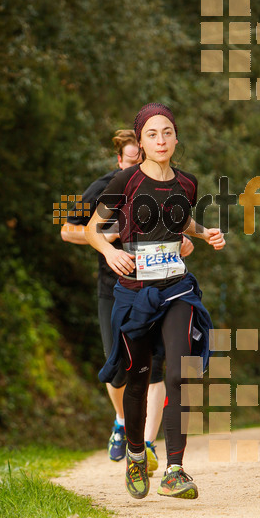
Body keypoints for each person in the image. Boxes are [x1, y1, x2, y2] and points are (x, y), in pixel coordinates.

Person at [85, 103, 225, 500]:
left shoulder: (188, 183)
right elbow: (95, 229)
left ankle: (175, 470)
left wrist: (204, 233)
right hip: (134, 293)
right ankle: (134, 455)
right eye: (152, 134)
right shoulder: (125, 182)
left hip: (177, 288)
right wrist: (110, 253)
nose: (160, 140)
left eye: (167, 132)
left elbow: (180, 221)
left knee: (180, 373)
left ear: (176, 138)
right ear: (141, 141)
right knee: (138, 374)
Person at [61, 130, 194, 472]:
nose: (139, 166)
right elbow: (69, 229)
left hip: (161, 287)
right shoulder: (107, 185)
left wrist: (185, 239)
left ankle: (147, 445)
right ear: (120, 161)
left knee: (156, 369)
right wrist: (111, 239)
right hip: (115, 288)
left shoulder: (170, 183)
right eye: (132, 160)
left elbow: (176, 226)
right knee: (117, 370)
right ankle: (122, 421)